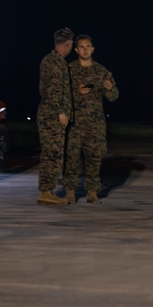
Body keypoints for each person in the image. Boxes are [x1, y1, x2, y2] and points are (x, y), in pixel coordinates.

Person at [64, 35, 119, 204]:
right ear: (76, 50)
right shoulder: (69, 70)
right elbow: (61, 94)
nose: (85, 49)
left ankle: (92, 192)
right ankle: (70, 192)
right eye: (82, 47)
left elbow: (114, 96)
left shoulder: (102, 71)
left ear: (93, 49)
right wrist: (76, 93)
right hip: (75, 123)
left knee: (94, 158)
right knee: (71, 158)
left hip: (95, 124)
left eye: (88, 46)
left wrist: (109, 88)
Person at [37, 27, 74, 206]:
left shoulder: (53, 61)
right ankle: (46, 192)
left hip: (50, 114)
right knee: (52, 154)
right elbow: (50, 91)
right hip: (51, 116)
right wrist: (60, 110)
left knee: (53, 153)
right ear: (68, 44)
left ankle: (47, 190)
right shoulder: (54, 62)